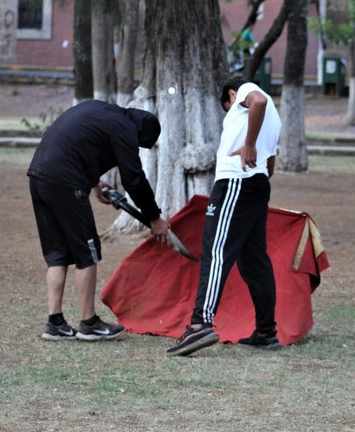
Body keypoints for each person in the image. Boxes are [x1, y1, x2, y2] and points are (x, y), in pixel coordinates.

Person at [28, 100, 171, 342]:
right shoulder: (125, 129)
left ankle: (55, 323)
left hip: (39, 175)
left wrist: (94, 184)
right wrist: (154, 217)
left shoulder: (103, 112)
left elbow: (79, 145)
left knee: (58, 253)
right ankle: (89, 323)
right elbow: (133, 179)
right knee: (88, 252)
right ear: (140, 134)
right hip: (66, 181)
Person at [167, 77, 282, 357]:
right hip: (257, 184)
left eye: (229, 107)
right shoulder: (275, 117)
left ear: (232, 94)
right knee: (255, 260)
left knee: (216, 250)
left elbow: (258, 101)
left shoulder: (247, 92)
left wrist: (249, 145)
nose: (232, 110)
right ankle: (267, 331)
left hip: (235, 182)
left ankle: (200, 324)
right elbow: (271, 163)